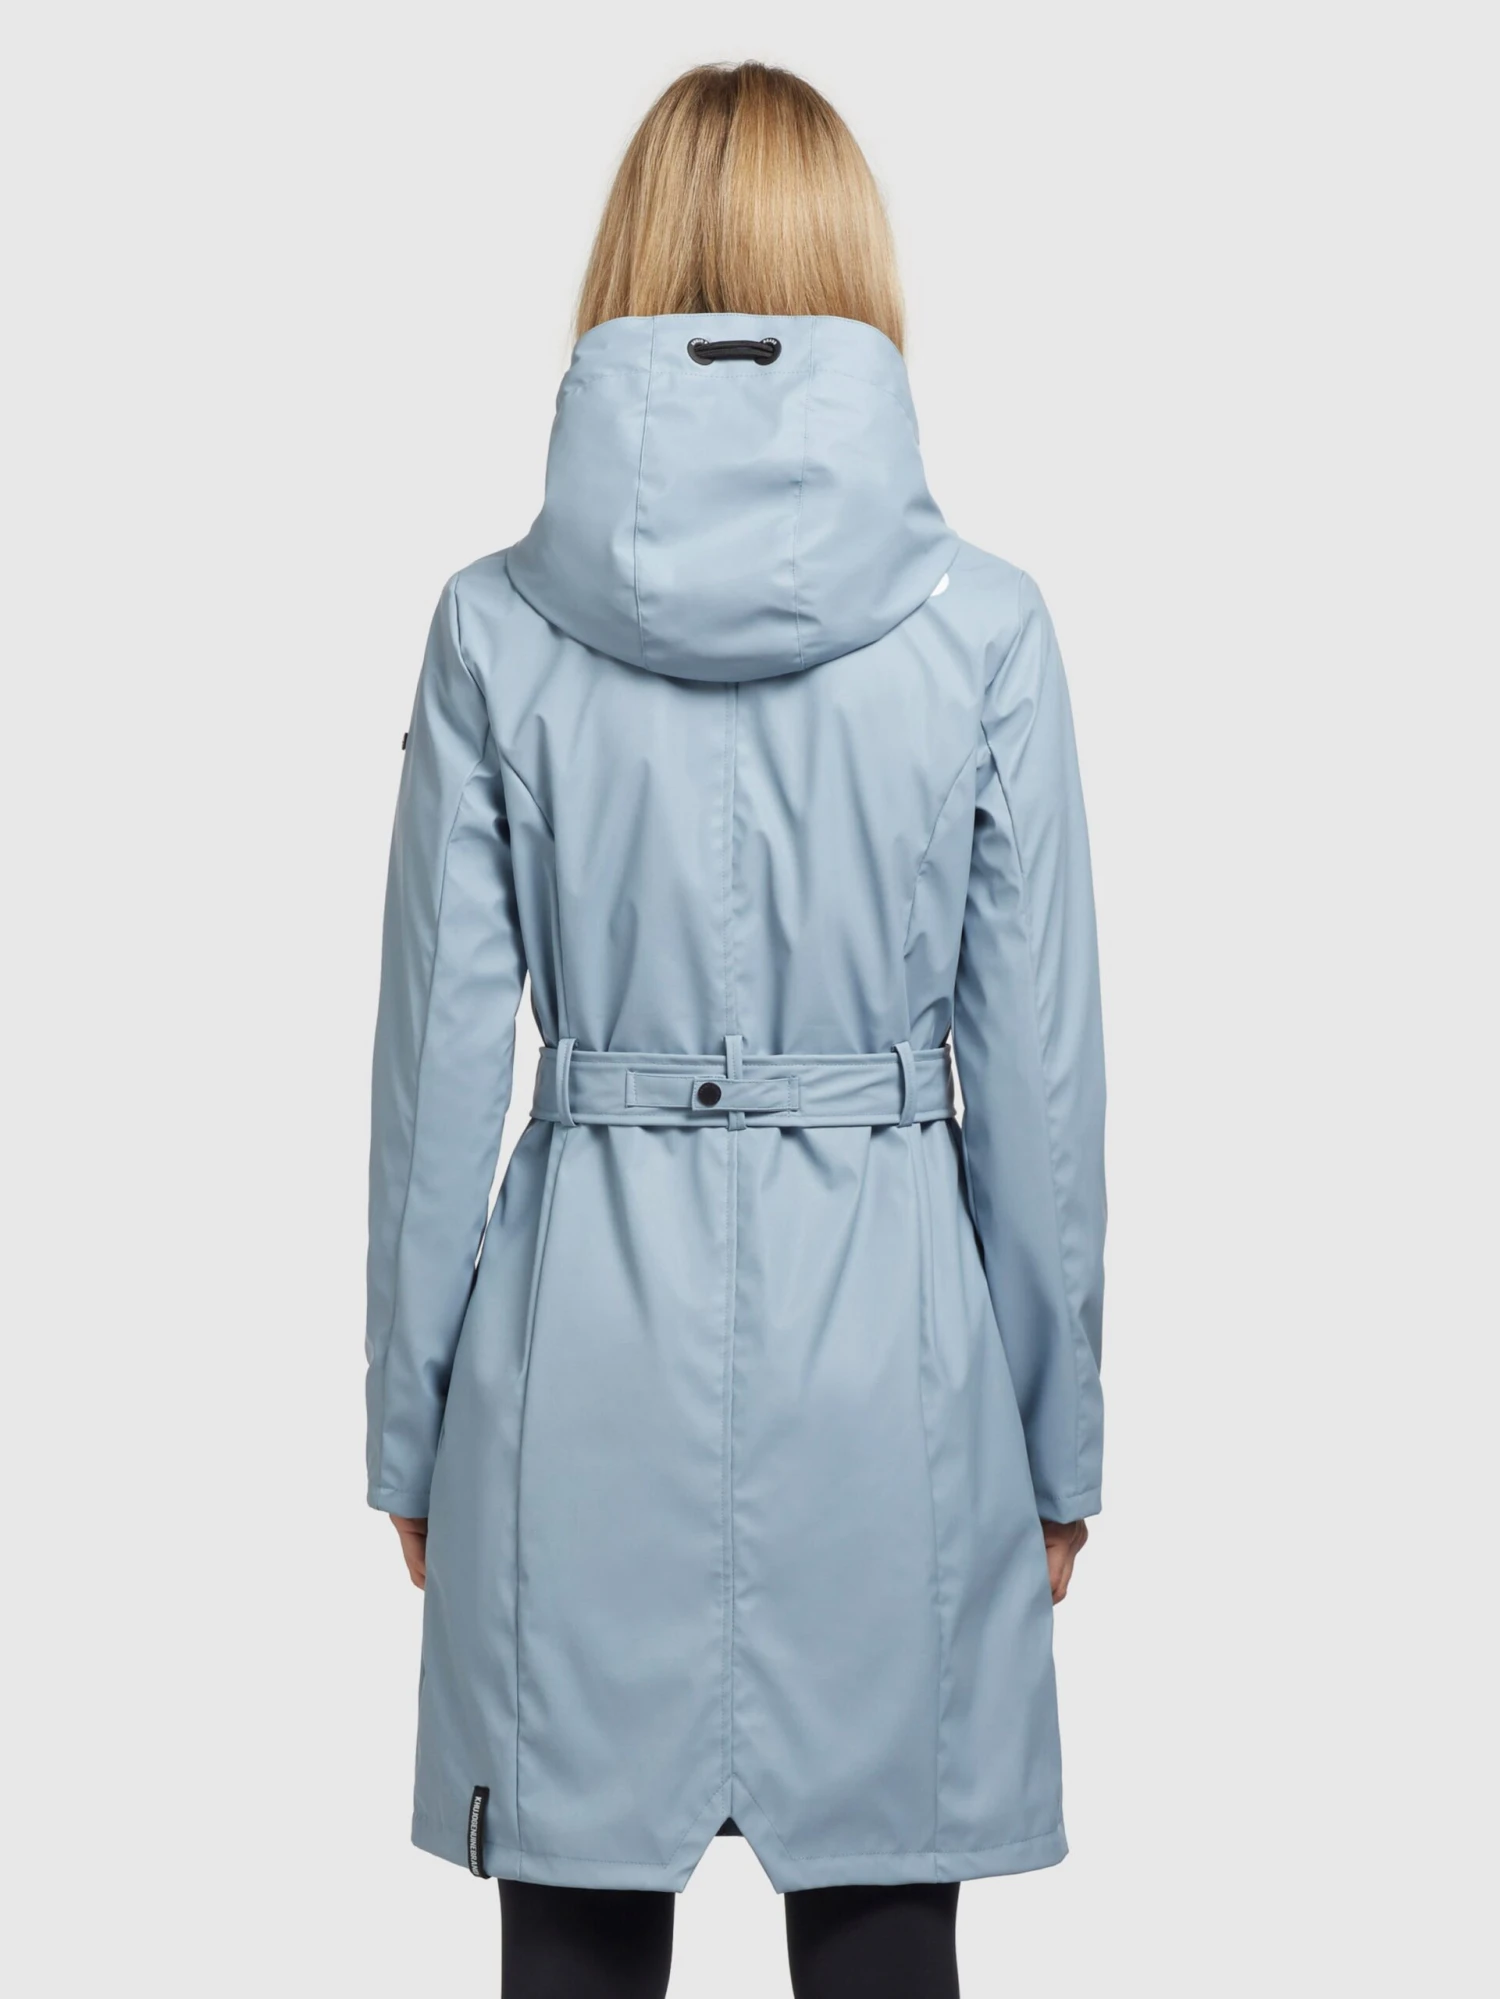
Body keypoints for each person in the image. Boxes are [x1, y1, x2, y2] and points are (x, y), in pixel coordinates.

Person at [366, 59, 1105, 1999]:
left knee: (572, 1950)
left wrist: (414, 1434)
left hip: (575, 1367)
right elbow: (1037, 1091)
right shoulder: (983, 631)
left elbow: (438, 1082)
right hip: (895, 1376)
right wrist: (1055, 1448)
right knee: (883, 1947)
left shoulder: (494, 630)